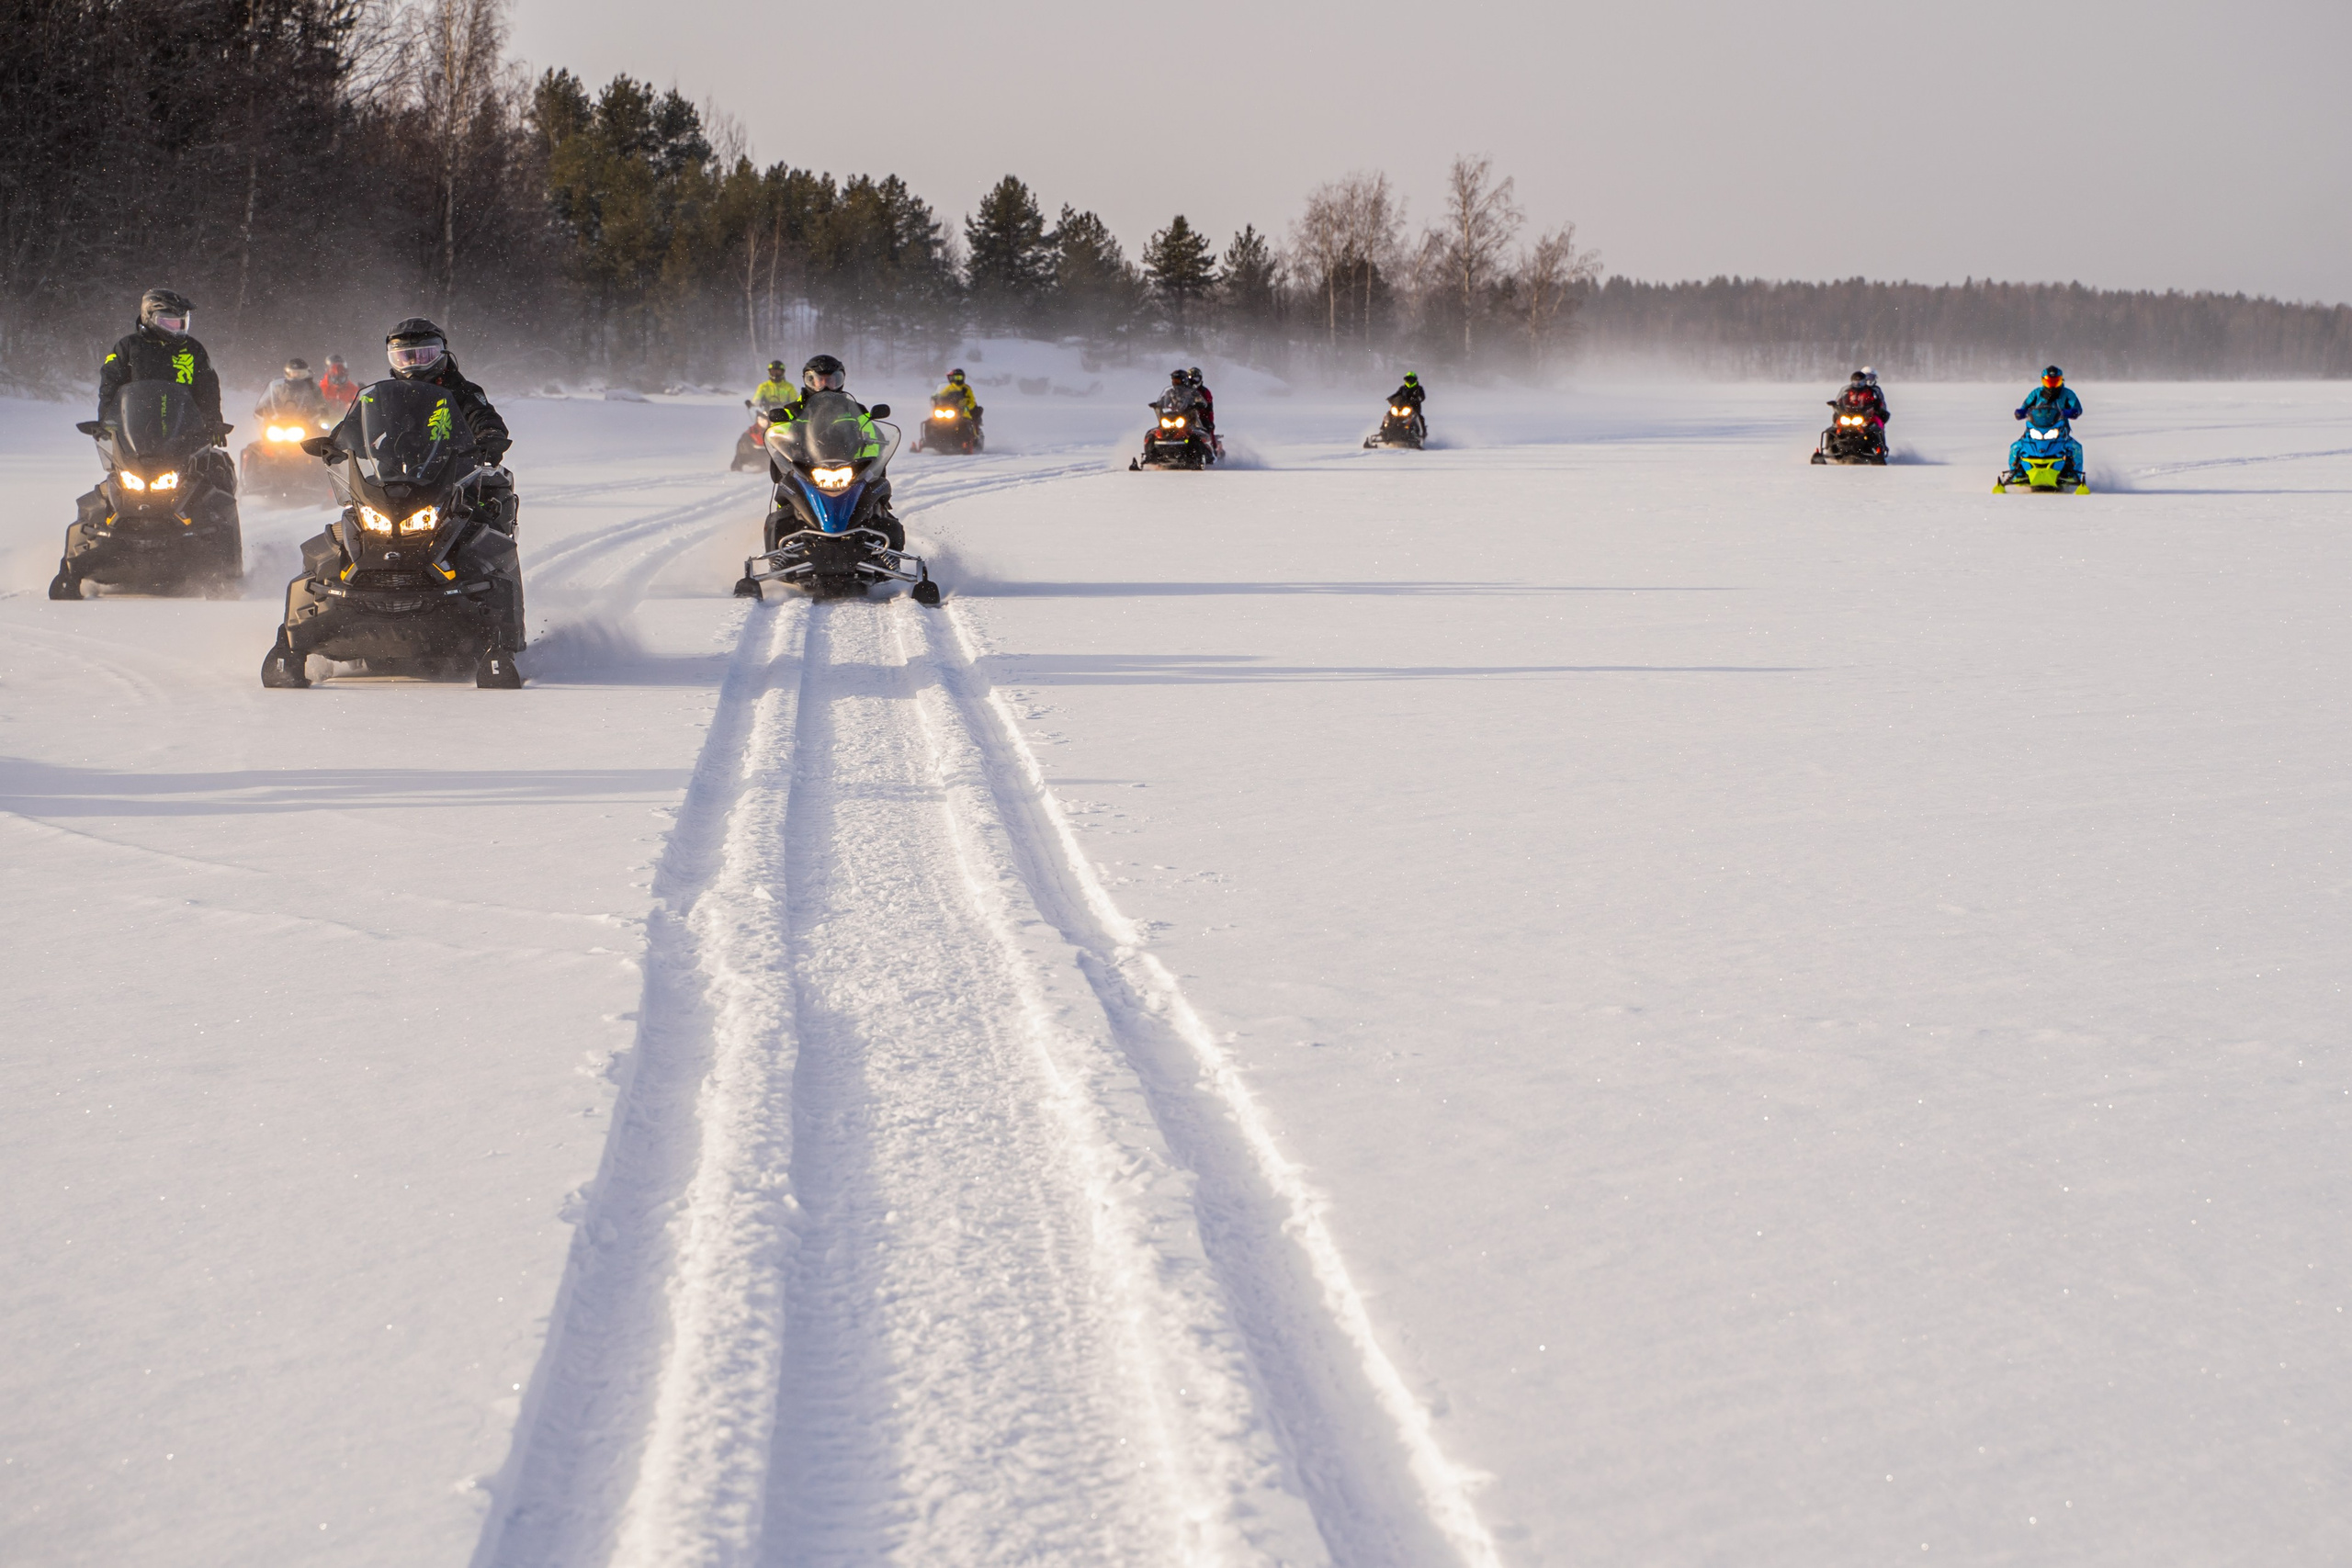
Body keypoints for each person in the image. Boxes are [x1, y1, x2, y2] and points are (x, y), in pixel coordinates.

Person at [763, 354, 903, 549]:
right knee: (786, 493)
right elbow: (778, 435)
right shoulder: (793, 411)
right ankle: (782, 549)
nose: (825, 385)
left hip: (851, 467)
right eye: (819, 380)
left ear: (840, 380)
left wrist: (868, 457)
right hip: (807, 467)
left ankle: (885, 548)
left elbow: (874, 436)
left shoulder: (854, 410)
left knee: (878, 491)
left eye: (831, 380)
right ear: (808, 380)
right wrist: (788, 444)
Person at [2007, 365, 2084, 480]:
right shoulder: (2036, 393)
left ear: (2061, 381)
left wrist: (2072, 412)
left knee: (2075, 448)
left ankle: (2074, 474)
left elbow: (2077, 408)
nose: (2052, 385)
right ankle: (2015, 473)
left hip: (2059, 429)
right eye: (2049, 382)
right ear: (2043, 381)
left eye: (2056, 381)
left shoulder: (2067, 394)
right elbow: (2025, 405)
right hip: (2036, 427)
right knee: (2016, 447)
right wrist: (2021, 412)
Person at [255, 358, 331, 430]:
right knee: (264, 436)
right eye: (293, 373)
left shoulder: (312, 388)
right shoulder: (279, 388)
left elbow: (321, 403)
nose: (296, 375)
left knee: (322, 433)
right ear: (287, 373)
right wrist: (262, 409)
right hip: (280, 422)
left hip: (305, 423)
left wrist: (322, 411)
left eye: (300, 373)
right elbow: (269, 400)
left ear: (306, 374)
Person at [1388, 370, 1427, 435]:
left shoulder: (1418, 388)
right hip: (1401, 406)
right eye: (1408, 379)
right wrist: (1391, 398)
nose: (1409, 381)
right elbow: (1397, 394)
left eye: (1411, 379)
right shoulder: (1403, 388)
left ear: (1414, 380)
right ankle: (1384, 429)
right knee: (1389, 414)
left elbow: (1422, 397)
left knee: (1420, 417)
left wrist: (1417, 399)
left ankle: (1422, 433)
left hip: (1414, 407)